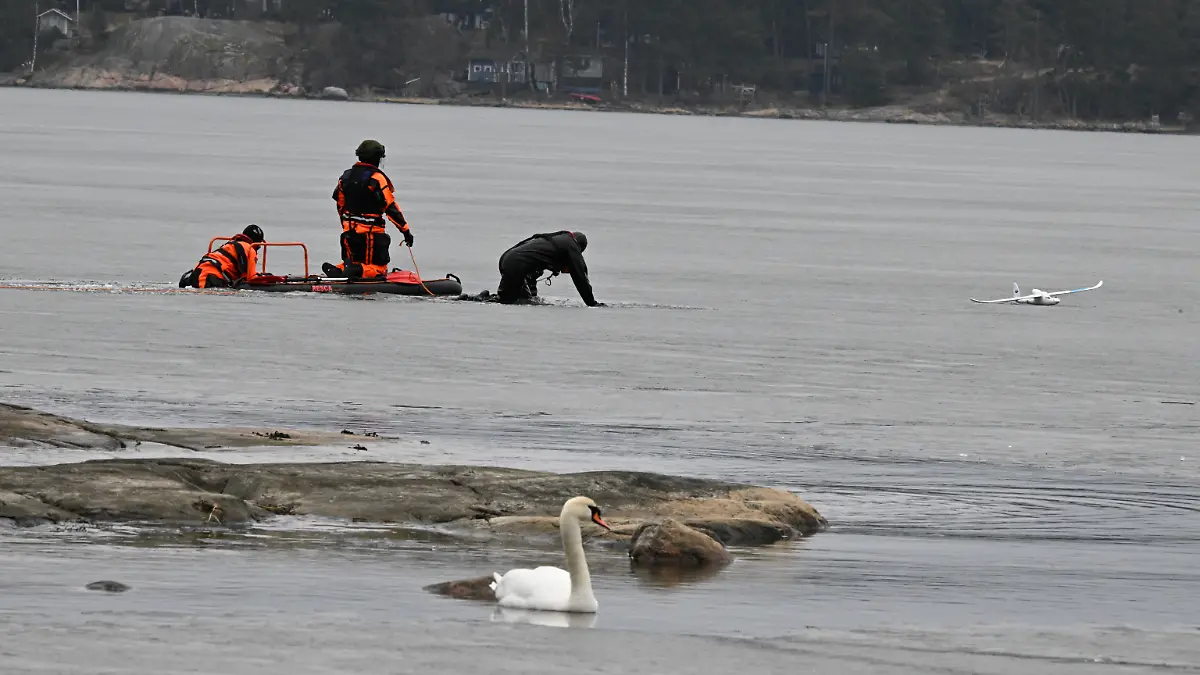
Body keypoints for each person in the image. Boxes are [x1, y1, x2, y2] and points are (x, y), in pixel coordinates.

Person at [322, 140, 414, 280]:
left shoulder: (346, 177)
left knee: (354, 261)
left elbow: (340, 204)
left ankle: (341, 269)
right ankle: (356, 270)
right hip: (370, 235)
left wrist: (346, 225)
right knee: (379, 269)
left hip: (349, 232)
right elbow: (390, 207)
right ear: (377, 158)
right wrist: (405, 231)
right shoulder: (376, 178)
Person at [496, 230, 603, 306]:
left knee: (524, 299)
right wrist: (592, 303)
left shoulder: (554, 241)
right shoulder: (571, 245)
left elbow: (531, 275)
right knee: (507, 301)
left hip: (508, 259)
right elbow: (580, 275)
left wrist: (533, 296)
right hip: (516, 265)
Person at [179, 224, 264, 288]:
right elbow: (251, 278)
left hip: (198, 272)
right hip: (212, 277)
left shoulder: (230, 245)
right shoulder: (250, 249)